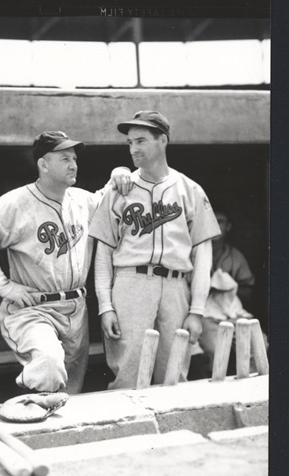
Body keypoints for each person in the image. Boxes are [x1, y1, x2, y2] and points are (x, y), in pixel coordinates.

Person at [0, 131, 132, 396]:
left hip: (76, 309)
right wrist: (6, 287)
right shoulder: (17, 202)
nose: (73, 164)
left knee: (71, 391)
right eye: (64, 158)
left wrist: (120, 171)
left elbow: (110, 195)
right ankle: (29, 401)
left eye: (75, 158)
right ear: (43, 165)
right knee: (49, 366)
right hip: (36, 309)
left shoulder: (81, 199)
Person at [88, 110, 221, 389]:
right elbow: (103, 254)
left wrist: (197, 310)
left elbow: (203, 255)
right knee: (128, 374)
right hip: (130, 284)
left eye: (141, 140)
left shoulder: (190, 189)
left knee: (174, 374)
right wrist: (105, 306)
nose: (133, 149)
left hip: (176, 287)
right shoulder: (118, 189)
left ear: (163, 140)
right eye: (129, 143)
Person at [197, 206, 256, 373]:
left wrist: (228, 288)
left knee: (256, 343)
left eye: (220, 222)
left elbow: (248, 292)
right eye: (212, 221)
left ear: (228, 226)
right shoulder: (196, 254)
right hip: (206, 316)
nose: (216, 226)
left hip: (233, 314)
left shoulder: (235, 256)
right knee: (214, 352)